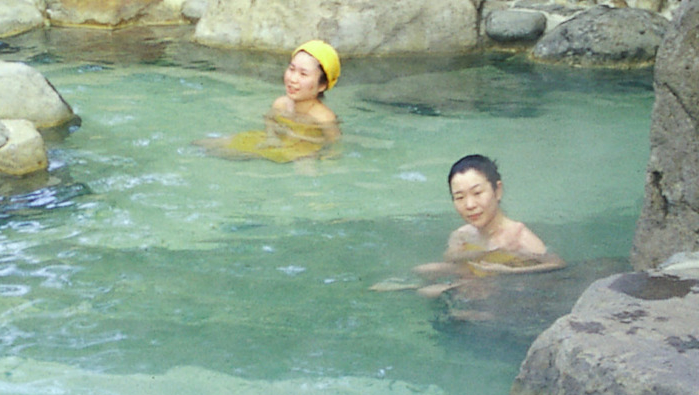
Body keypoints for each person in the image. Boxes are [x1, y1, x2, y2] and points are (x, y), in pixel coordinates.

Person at [373, 153, 560, 291]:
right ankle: (410, 285)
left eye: (477, 193)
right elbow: (450, 259)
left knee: (430, 292)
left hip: (502, 289)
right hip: (472, 279)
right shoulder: (463, 234)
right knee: (423, 270)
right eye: (460, 197)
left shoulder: (518, 236)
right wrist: (482, 253)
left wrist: (507, 271)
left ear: (498, 191)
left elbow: (557, 265)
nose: (470, 205)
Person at [205, 41, 341, 160]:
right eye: (291, 69)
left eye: (303, 74)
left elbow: (334, 146)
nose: (293, 79)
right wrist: (272, 137)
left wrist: (324, 158)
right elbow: (270, 120)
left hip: (303, 152)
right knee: (213, 143)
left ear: (322, 85)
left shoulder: (324, 118)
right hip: (276, 142)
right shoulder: (281, 103)